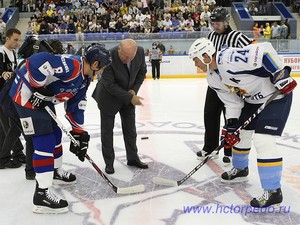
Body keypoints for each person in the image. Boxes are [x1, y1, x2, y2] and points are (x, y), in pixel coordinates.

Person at [188, 37, 297, 208]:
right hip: (252, 100)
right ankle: (240, 169)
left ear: (206, 56)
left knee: (263, 140)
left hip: (276, 96)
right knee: (240, 134)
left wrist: (279, 74)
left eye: (196, 60)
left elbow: (264, 51)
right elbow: (232, 102)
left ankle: (273, 191)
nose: (197, 65)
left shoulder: (228, 58)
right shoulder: (212, 78)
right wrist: (231, 126)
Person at [9, 43, 111, 214]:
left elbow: (76, 107)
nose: (102, 71)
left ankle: (55, 171)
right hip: (24, 97)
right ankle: (42, 194)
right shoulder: (72, 66)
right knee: (45, 141)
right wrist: (37, 87)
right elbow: (38, 60)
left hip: (41, 101)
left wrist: (79, 134)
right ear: (95, 64)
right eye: (103, 67)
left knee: (56, 134)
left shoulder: (84, 79)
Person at [196, 7, 254, 166]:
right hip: (215, 84)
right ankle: (210, 147)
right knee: (210, 114)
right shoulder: (211, 36)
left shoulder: (237, 37)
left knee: (231, 118)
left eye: (218, 23)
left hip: (232, 85)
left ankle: (229, 150)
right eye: (213, 23)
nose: (215, 26)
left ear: (226, 22)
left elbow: (252, 51)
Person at [92, 39, 148, 175]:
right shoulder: (108, 57)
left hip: (128, 96)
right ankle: (109, 163)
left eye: (131, 57)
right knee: (107, 132)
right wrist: (131, 97)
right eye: (125, 56)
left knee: (130, 130)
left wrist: (134, 90)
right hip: (108, 98)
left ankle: (133, 158)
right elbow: (109, 85)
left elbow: (142, 72)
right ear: (118, 50)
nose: (128, 60)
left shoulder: (139, 52)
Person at [0, 28, 26, 169]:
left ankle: (15, 154)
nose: (18, 42)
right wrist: (3, 73)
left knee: (7, 127)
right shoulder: (1, 53)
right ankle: (9, 156)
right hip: (2, 96)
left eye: (19, 40)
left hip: (8, 95)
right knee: (11, 126)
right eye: (15, 39)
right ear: (7, 38)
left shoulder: (13, 54)